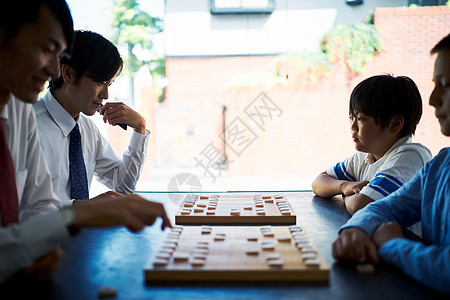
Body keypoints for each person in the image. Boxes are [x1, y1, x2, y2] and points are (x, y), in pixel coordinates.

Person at [0, 0, 171, 285]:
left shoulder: (80, 128)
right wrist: (80, 211)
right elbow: (22, 213)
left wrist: (139, 129)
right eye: (46, 49)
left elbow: (41, 205)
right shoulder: (31, 113)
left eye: (110, 84)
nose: (53, 70)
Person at [332, 33, 450, 294]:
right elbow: (385, 208)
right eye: (435, 85)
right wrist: (355, 230)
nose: (433, 100)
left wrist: (392, 245)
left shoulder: (413, 155)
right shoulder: (440, 166)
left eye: (447, 84)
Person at [34, 30, 150, 205]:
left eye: (109, 84)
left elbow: (123, 186)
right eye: (100, 83)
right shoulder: (28, 125)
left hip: (85, 232)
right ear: (68, 74)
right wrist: (85, 208)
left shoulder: (87, 130)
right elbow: (22, 209)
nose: (106, 95)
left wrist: (140, 127)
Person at [312, 74, 432, 217]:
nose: (353, 126)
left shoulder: (411, 156)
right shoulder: (365, 157)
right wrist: (345, 186)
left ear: (395, 124)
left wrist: (346, 195)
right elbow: (318, 183)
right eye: (352, 117)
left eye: (361, 119)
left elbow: (360, 206)